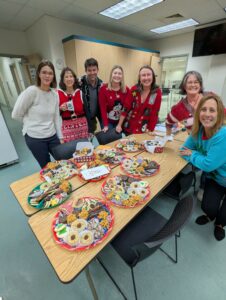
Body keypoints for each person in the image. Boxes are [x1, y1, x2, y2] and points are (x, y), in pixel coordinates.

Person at [180, 94, 226, 241]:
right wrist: (198, 156)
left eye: (212, 110)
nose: (207, 114)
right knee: (208, 206)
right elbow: (183, 150)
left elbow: (208, 164)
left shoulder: (223, 134)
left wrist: (193, 154)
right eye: (203, 109)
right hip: (216, 177)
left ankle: (220, 224)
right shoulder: (198, 131)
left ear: (219, 114)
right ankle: (210, 216)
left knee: (224, 215)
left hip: (218, 173)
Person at [12, 60, 63, 168]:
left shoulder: (54, 94)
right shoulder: (31, 91)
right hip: (35, 138)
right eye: (44, 72)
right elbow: (16, 114)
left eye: (50, 73)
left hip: (52, 135)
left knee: (63, 161)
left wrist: (61, 137)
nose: (47, 76)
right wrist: (30, 123)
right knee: (47, 168)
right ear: (39, 74)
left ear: (53, 76)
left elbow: (56, 118)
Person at [116, 65, 162, 134]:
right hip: (129, 128)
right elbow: (126, 108)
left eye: (148, 75)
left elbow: (154, 114)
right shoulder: (134, 90)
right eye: (143, 75)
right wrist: (119, 125)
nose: (146, 78)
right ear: (140, 78)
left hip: (143, 131)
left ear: (153, 76)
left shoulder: (157, 92)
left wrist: (150, 129)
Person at [166, 71, 209, 135]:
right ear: (184, 86)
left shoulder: (210, 98)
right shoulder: (179, 108)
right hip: (196, 142)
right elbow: (168, 122)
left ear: (200, 85)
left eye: (196, 82)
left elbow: (223, 114)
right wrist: (168, 136)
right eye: (189, 82)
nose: (193, 85)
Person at [58, 67, 91, 142]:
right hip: (67, 129)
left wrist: (90, 129)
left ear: (74, 78)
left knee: (84, 150)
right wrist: (60, 109)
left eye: (71, 76)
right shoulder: (58, 94)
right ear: (63, 80)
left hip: (82, 127)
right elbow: (55, 115)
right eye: (66, 77)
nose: (69, 79)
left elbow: (87, 112)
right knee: (70, 151)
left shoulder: (80, 93)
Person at [99, 65, 129, 132]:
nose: (117, 75)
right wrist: (106, 125)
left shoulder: (126, 90)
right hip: (108, 120)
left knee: (121, 137)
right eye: (115, 73)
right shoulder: (103, 89)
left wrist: (119, 124)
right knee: (109, 136)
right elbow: (103, 109)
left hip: (121, 120)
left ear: (122, 76)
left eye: (119, 73)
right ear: (111, 74)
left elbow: (125, 108)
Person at [79, 58, 103, 133]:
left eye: (94, 70)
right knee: (87, 138)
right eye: (89, 70)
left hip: (97, 115)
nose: (92, 72)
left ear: (97, 70)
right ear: (86, 71)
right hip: (84, 117)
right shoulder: (80, 83)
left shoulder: (101, 84)